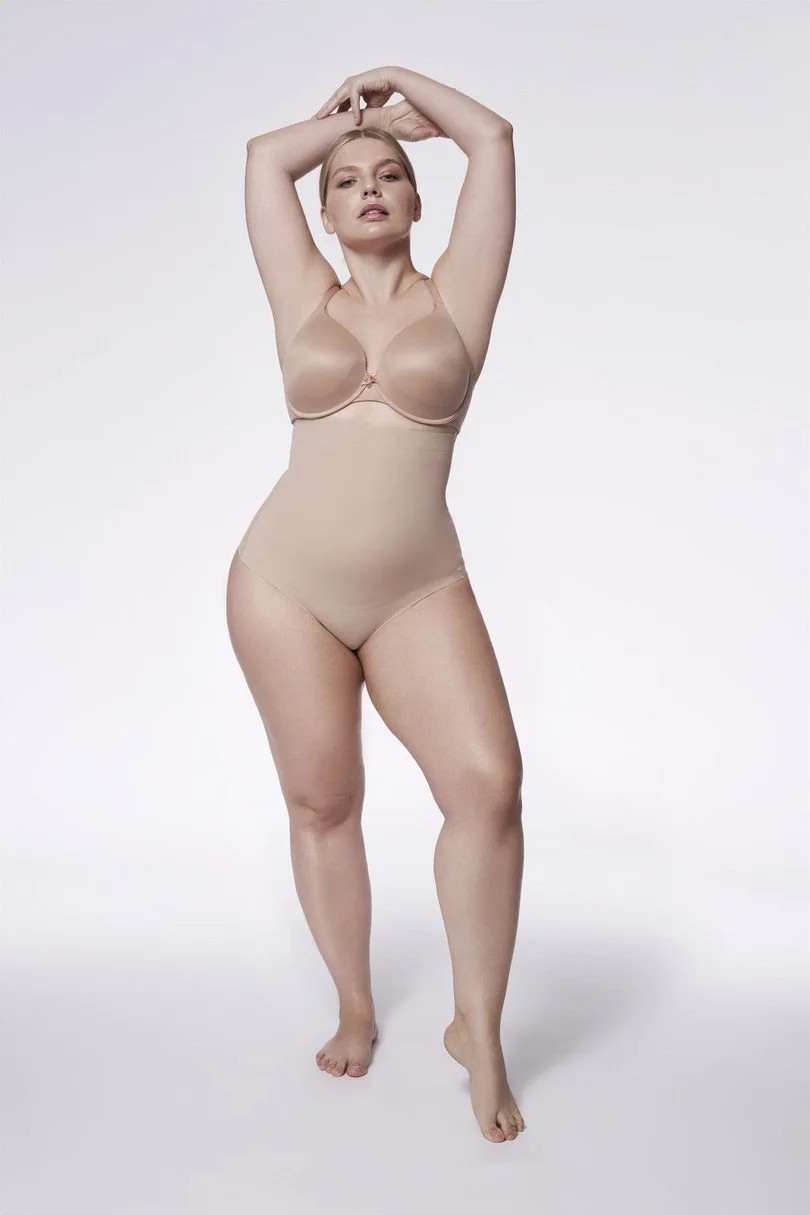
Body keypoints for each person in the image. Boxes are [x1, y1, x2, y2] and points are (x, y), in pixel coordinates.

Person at [226, 66, 524, 1144]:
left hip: (415, 589)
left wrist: (402, 90)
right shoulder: (306, 294)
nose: (367, 188)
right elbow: (265, 160)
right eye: (348, 180)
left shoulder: (458, 297)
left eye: (388, 176)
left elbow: (494, 139)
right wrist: (349, 122)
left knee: (488, 788)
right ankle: (354, 1004)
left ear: (416, 198)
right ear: (326, 212)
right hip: (284, 585)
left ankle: (477, 1026)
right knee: (323, 802)